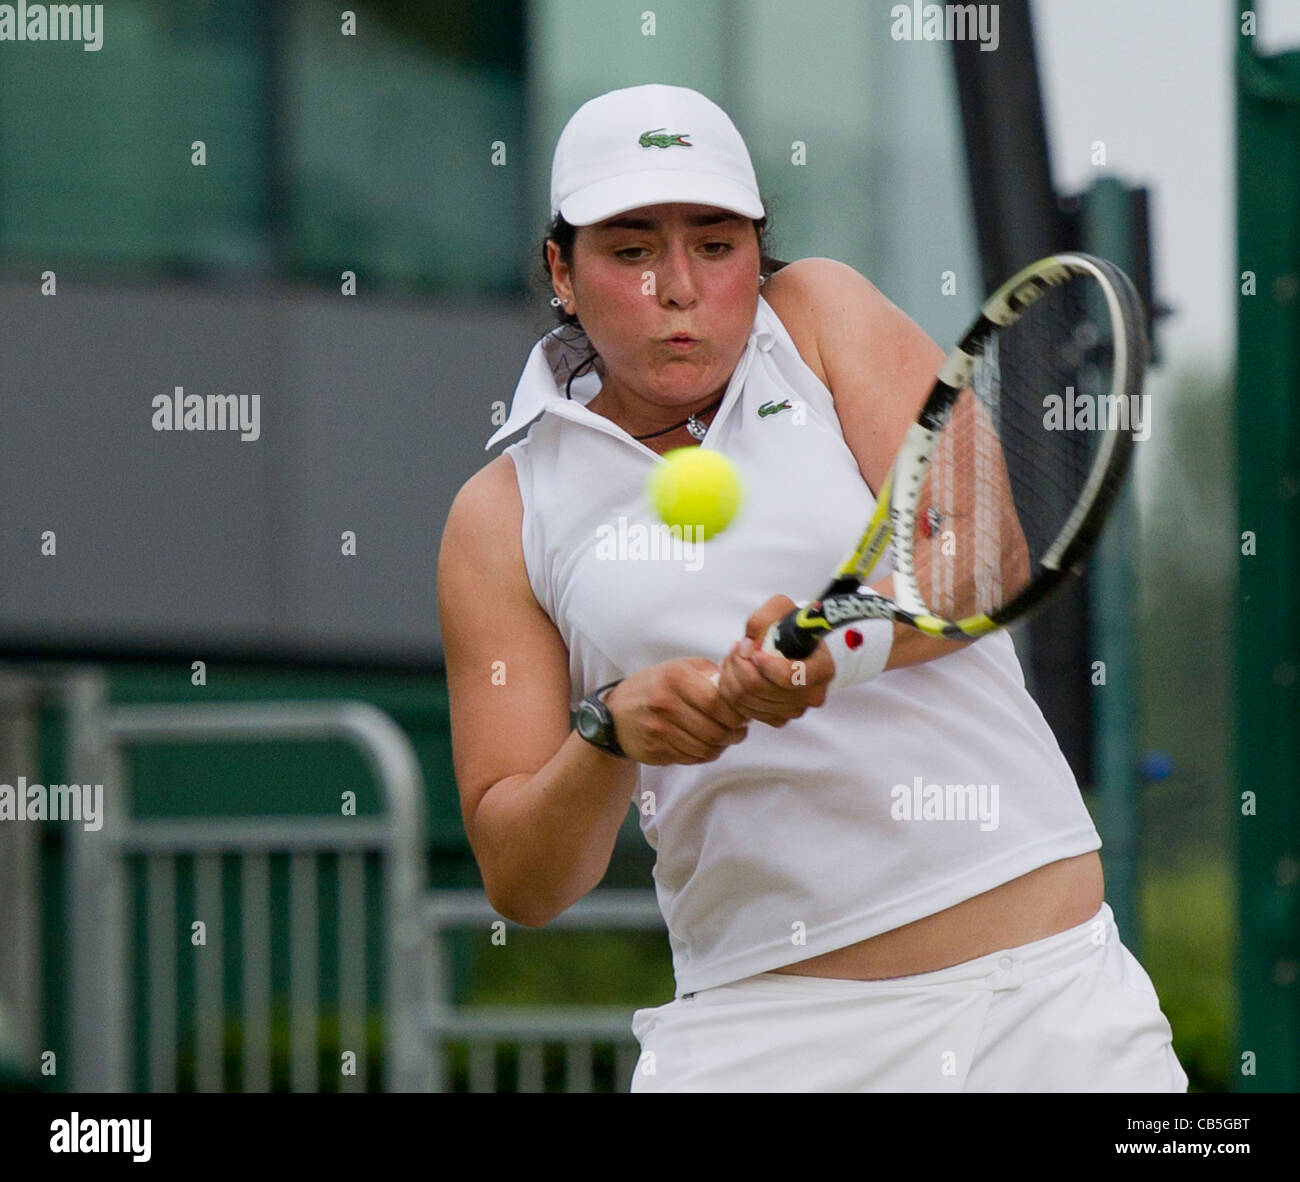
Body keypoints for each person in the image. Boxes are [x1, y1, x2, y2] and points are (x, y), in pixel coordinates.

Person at [437, 82, 1188, 1092]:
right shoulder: (499, 515)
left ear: (758, 252)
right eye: (631, 250)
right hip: (760, 1041)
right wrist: (610, 732)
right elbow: (522, 880)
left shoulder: (822, 315)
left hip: (1044, 1003)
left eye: (715, 245)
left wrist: (836, 647)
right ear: (562, 272)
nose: (678, 287)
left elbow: (983, 550)